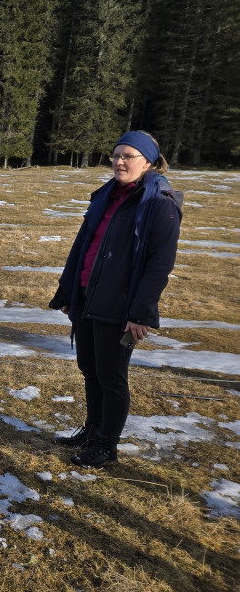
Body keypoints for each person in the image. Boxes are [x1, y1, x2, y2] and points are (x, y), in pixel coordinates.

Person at [50, 131, 182, 468]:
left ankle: (107, 447)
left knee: (111, 375)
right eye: (116, 155)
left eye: (129, 156)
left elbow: (159, 266)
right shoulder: (106, 196)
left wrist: (140, 313)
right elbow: (83, 246)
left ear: (148, 162)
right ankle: (92, 431)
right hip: (87, 295)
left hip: (119, 305)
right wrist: (68, 291)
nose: (120, 162)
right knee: (90, 370)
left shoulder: (160, 204)